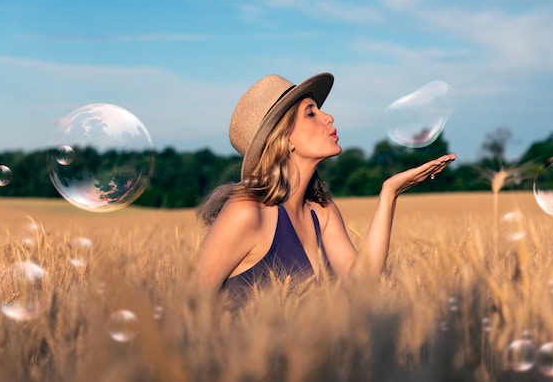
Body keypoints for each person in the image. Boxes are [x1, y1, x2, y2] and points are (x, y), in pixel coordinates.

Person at [195, 72, 456, 302]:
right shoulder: (246, 212)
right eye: (311, 113)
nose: (328, 117)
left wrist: (390, 193)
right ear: (284, 139)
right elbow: (188, 304)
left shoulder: (321, 211)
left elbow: (361, 282)